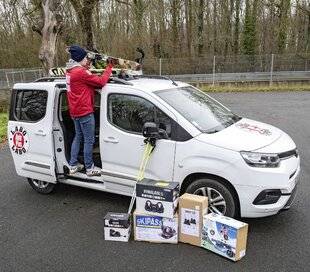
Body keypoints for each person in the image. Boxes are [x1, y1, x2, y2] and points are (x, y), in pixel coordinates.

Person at [66, 45, 114, 176]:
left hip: (75, 111)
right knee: (89, 140)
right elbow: (101, 82)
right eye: (85, 58)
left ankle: (73, 165)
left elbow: (83, 82)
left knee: (78, 137)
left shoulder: (69, 71)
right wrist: (109, 67)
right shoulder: (81, 73)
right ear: (80, 58)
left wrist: (88, 67)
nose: (87, 60)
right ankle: (89, 168)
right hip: (85, 112)